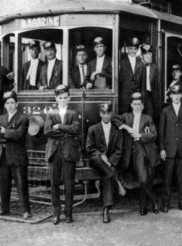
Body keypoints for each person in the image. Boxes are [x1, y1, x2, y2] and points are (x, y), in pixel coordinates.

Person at [112, 92, 160, 216]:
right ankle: (153, 201)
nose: (137, 106)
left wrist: (141, 135)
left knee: (145, 180)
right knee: (143, 180)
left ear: (143, 106)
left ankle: (143, 206)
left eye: (139, 104)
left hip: (145, 151)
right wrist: (126, 127)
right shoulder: (126, 116)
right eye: (135, 104)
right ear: (131, 105)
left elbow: (154, 135)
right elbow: (113, 118)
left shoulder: (147, 118)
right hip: (132, 152)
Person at [44, 85, 80, 224]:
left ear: (69, 98)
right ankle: (56, 214)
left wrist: (58, 126)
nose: (63, 100)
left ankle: (69, 214)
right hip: (54, 152)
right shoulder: (51, 113)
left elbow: (75, 129)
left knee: (69, 184)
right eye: (60, 98)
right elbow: (47, 131)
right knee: (54, 184)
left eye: (65, 98)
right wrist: (66, 132)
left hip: (68, 152)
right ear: (56, 98)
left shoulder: (73, 113)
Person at [0, 91, 31, 219]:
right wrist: (9, 135)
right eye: (7, 103)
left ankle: (26, 210)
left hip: (17, 156)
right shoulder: (0, 119)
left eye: (12, 103)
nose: (10, 105)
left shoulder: (23, 118)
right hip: (3, 155)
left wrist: (5, 132)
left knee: (21, 184)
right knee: (3, 183)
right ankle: (4, 208)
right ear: (4, 105)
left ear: (17, 104)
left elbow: (19, 135)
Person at [86, 103, 126, 223]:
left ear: (111, 114)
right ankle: (117, 181)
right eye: (104, 113)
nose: (106, 116)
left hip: (109, 163)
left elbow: (119, 150)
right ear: (100, 114)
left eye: (108, 113)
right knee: (98, 159)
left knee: (106, 177)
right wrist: (101, 156)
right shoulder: (93, 129)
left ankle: (106, 210)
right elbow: (89, 148)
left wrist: (110, 161)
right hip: (97, 160)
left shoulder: (117, 130)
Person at [159, 84, 182, 213]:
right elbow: (161, 131)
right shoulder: (165, 111)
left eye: (178, 94)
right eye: (173, 94)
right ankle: (166, 203)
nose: (176, 96)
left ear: (181, 95)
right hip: (169, 150)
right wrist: (162, 148)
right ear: (170, 96)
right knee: (167, 179)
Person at [118, 37, 143, 113]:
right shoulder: (121, 62)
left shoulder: (141, 63)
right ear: (128, 49)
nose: (132, 51)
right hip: (124, 97)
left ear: (137, 50)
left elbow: (143, 82)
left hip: (137, 98)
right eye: (131, 48)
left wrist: (141, 96)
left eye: (135, 49)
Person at [140, 43, 159, 121]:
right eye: (146, 55)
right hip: (140, 95)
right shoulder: (138, 65)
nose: (149, 57)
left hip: (150, 96)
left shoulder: (154, 67)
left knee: (150, 116)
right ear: (142, 56)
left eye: (150, 54)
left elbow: (157, 84)